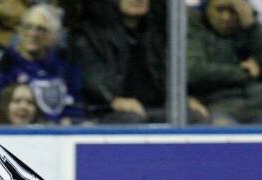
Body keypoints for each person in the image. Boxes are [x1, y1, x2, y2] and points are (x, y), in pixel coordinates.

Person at [77, 0, 210, 123]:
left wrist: (183, 98)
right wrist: (112, 100)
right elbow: (92, 78)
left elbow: (168, 75)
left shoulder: (159, 32)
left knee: (196, 116)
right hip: (107, 110)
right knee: (132, 119)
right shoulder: (92, 34)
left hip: (155, 108)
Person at [187, 0, 262, 124]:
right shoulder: (194, 30)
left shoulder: (251, 29)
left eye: (233, 11)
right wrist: (244, 72)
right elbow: (193, 71)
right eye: (220, 9)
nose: (226, 17)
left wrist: (251, 26)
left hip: (261, 107)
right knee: (223, 131)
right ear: (206, 9)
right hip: (219, 106)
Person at [0, 4, 84, 124]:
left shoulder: (64, 65)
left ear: (53, 35)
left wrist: (70, 120)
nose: (33, 33)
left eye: (40, 29)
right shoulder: (3, 64)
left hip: (60, 135)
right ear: (19, 31)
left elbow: (76, 102)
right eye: (27, 27)